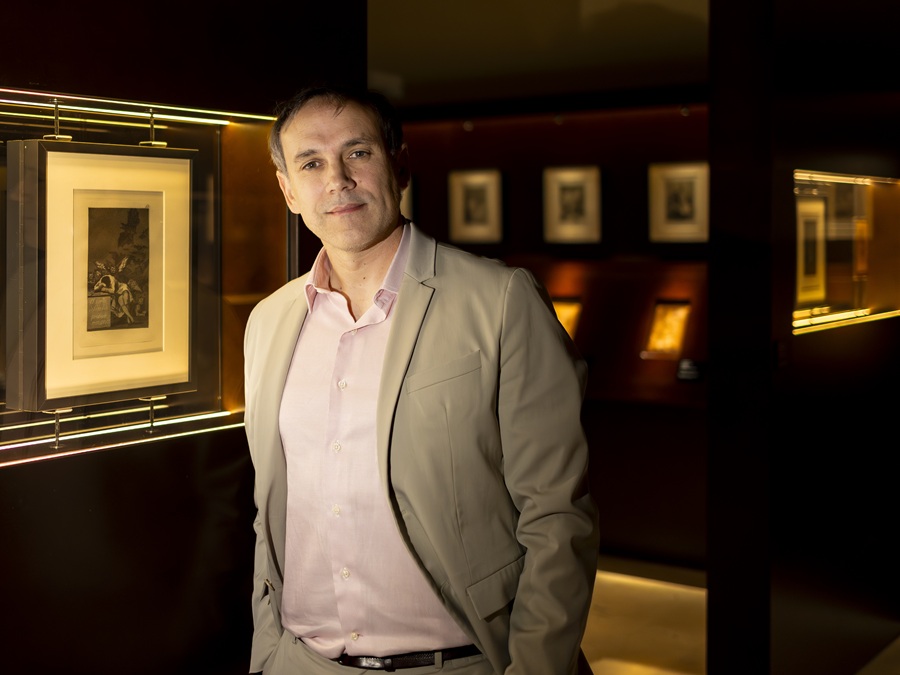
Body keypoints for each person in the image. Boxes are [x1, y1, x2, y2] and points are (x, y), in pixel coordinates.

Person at [243, 84, 599, 675]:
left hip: (460, 662)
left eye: (358, 153)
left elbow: (557, 515)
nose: (337, 180)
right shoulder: (269, 322)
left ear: (400, 165)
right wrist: (267, 655)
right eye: (311, 163)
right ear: (288, 190)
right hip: (300, 660)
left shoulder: (501, 301)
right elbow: (272, 513)